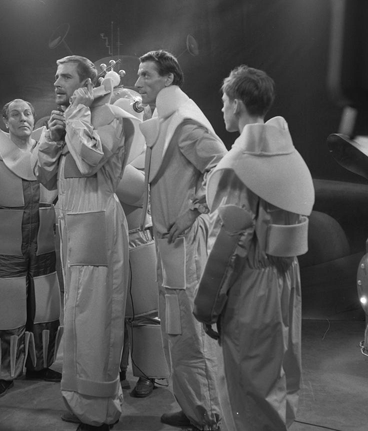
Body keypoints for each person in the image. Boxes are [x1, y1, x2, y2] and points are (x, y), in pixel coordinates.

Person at [193, 65, 315, 430]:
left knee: (247, 384)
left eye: (224, 101)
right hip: (285, 279)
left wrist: (208, 307)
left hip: (250, 284)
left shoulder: (239, 166)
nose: (222, 108)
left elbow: (228, 241)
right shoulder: (289, 153)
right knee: (279, 375)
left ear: (237, 103)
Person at [34, 56, 136, 431]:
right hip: (73, 226)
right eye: (55, 76)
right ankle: (81, 402)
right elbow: (45, 178)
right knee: (77, 318)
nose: (56, 82)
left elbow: (91, 158)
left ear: (86, 84)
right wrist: (52, 136)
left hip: (97, 224)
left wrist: (75, 117)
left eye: (65, 76)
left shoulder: (111, 116)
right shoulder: (71, 118)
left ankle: (100, 410)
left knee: (96, 319)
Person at [135, 50, 227, 431]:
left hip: (184, 241)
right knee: (175, 327)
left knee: (190, 328)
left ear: (168, 79)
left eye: (146, 75)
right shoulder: (165, 120)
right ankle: (193, 406)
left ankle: (209, 415)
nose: (138, 82)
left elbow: (222, 166)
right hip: (167, 240)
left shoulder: (185, 123)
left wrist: (194, 210)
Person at [0, 98, 62, 400]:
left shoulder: (48, 153)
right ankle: (4, 373)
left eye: (27, 113)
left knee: (45, 308)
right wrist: (6, 226)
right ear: (5, 121)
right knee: (8, 309)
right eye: (15, 114)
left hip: (44, 246)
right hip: (9, 248)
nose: (23, 118)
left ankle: (40, 365)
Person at [112, 90, 170, 399]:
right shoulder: (106, 150)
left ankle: (148, 373)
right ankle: (115, 369)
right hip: (109, 239)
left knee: (145, 311)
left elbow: (138, 190)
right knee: (111, 312)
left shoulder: (149, 152)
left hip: (139, 237)